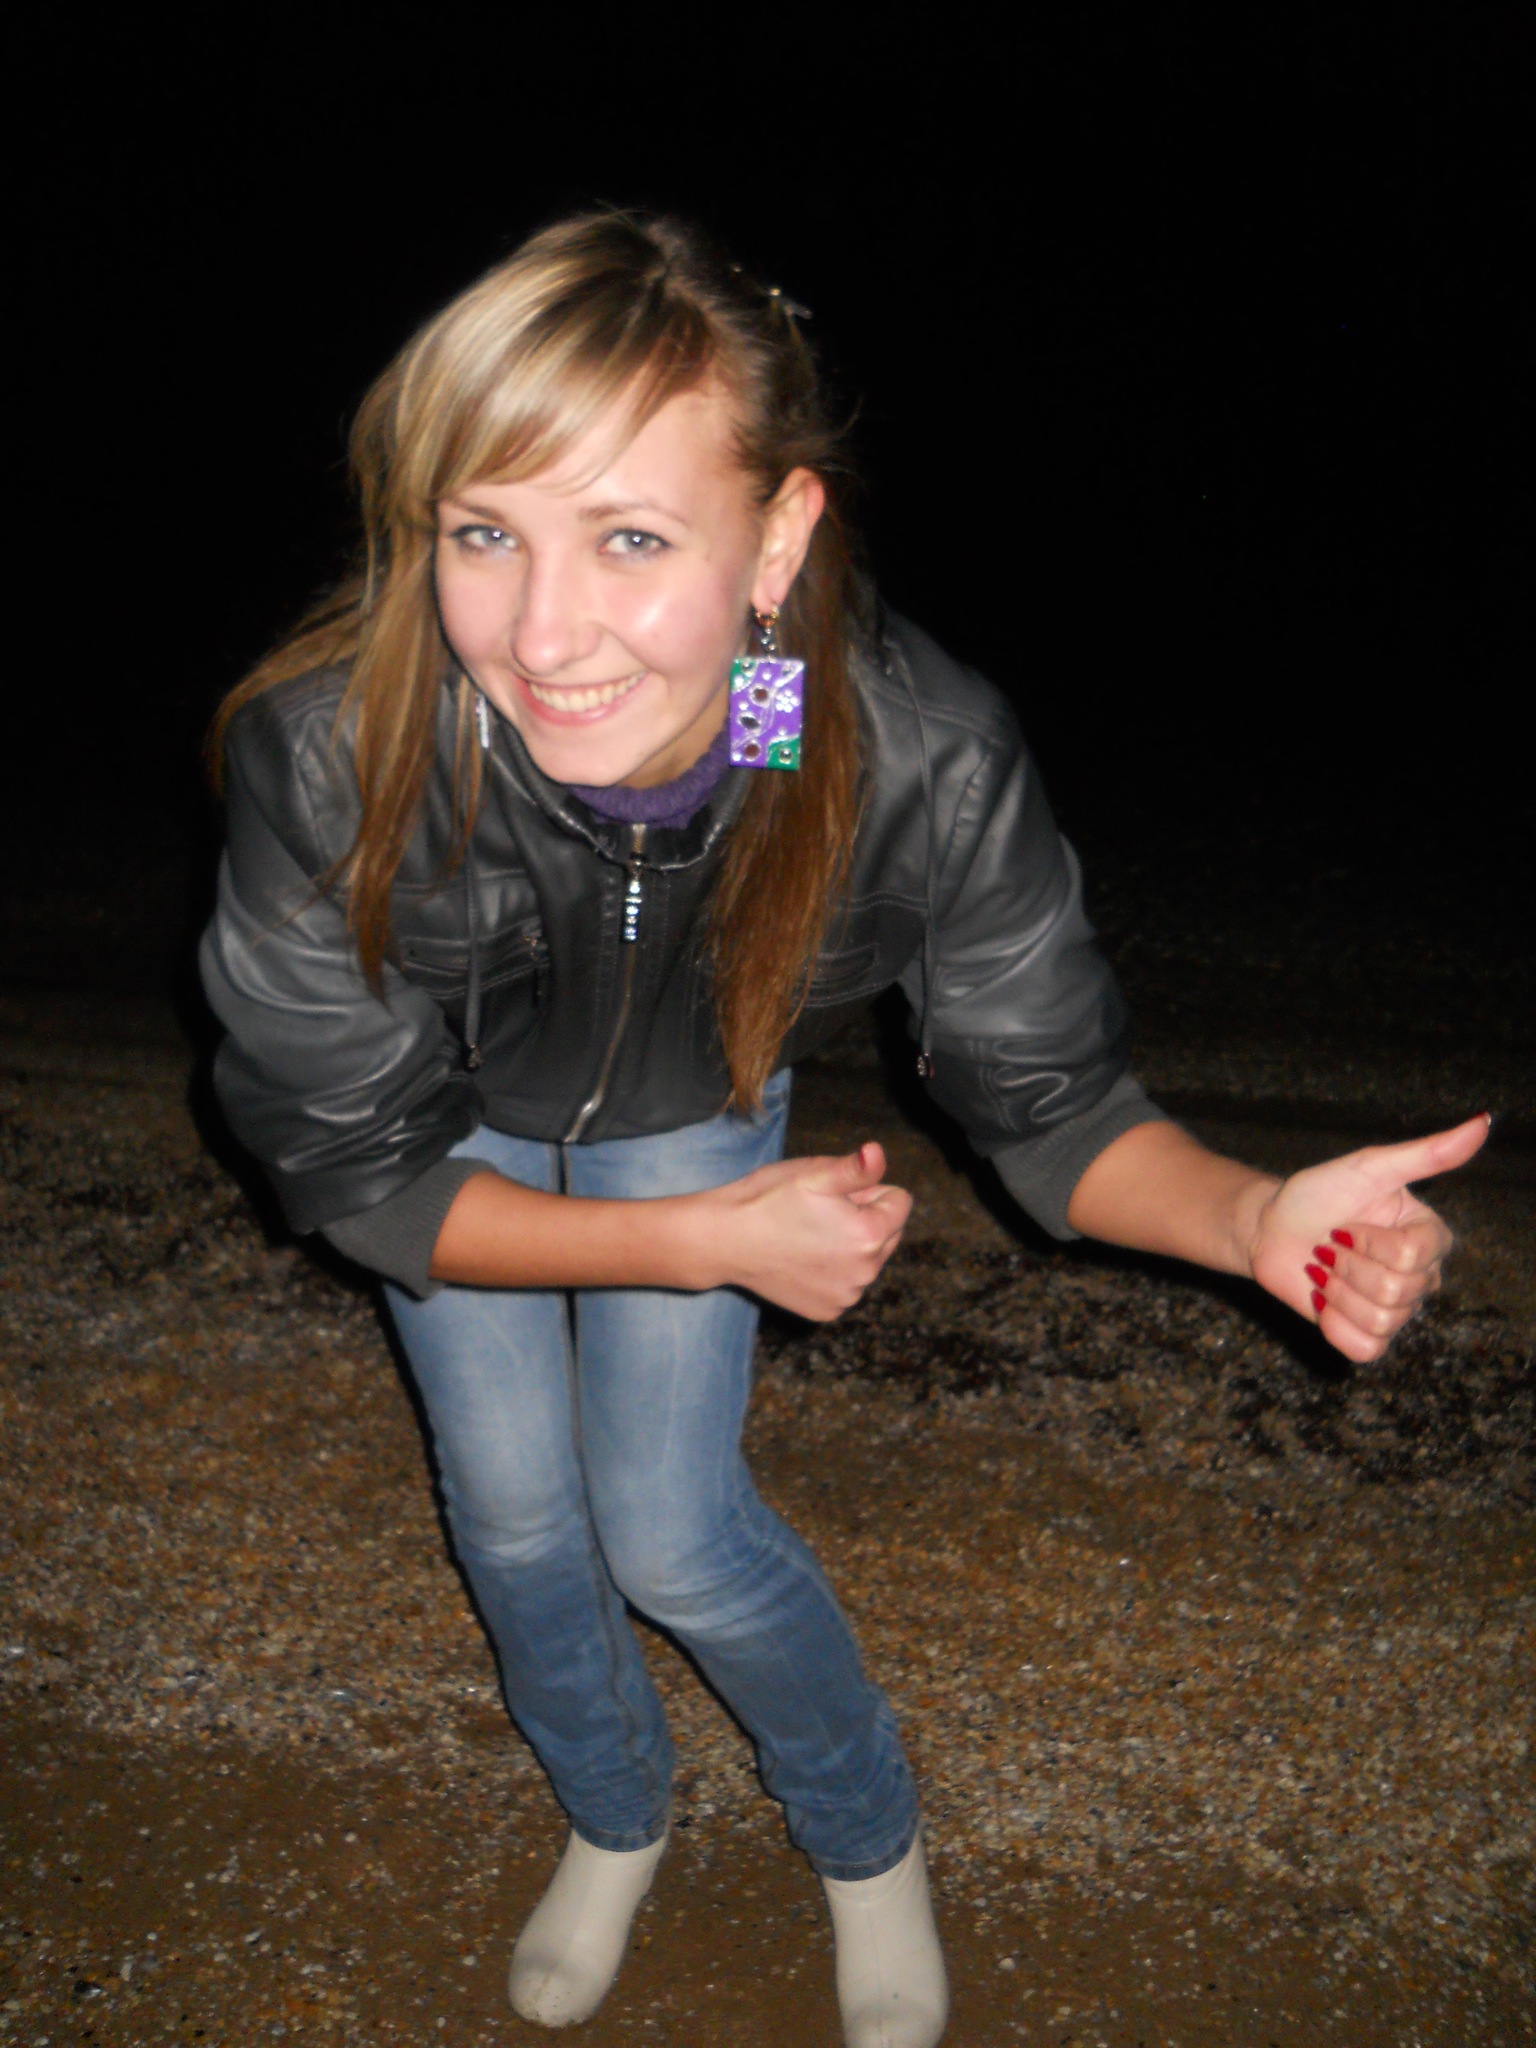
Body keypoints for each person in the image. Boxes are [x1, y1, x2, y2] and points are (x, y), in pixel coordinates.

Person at [201, 211, 1486, 2048]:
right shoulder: (337, 745)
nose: (543, 634)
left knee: (671, 1537)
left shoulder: (861, 741)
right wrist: (702, 1243)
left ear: (780, 536)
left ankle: (868, 1844)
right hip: (443, 1150)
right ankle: (614, 1815)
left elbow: (1050, 1100)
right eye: (484, 533)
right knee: (515, 1522)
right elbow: (357, 1164)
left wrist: (1253, 1214)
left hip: (689, 1108)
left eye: (631, 537)